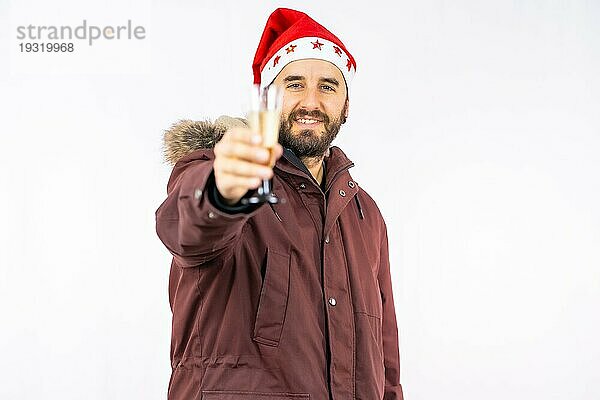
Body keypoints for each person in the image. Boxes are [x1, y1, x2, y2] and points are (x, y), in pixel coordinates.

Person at [156, 7, 404, 400]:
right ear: (267, 100)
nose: (310, 101)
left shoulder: (364, 213)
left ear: (346, 105)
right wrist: (226, 190)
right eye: (293, 83)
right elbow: (186, 227)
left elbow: (386, 353)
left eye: (327, 86)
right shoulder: (219, 168)